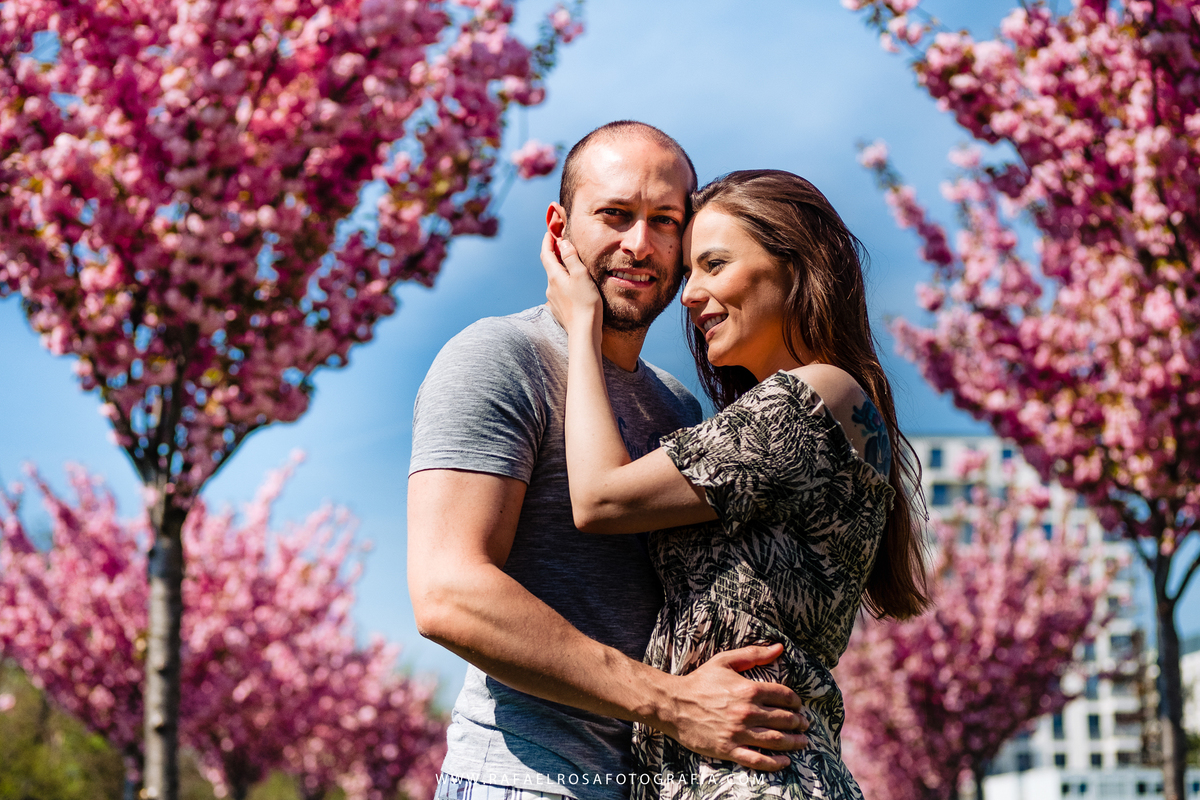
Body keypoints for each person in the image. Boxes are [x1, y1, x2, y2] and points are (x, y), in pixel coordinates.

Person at [407, 125, 808, 800]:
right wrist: (674, 703)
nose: (640, 244)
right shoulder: (498, 357)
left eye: (666, 221)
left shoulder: (680, 405)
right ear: (559, 228)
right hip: (525, 782)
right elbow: (449, 594)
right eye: (616, 214)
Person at [540, 169, 931, 799]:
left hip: (758, 778)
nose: (689, 294)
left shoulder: (816, 393)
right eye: (688, 271)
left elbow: (600, 497)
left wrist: (583, 324)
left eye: (714, 265)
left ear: (796, 266)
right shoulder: (793, 411)